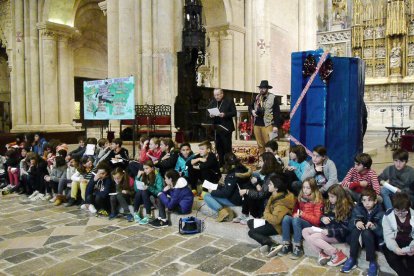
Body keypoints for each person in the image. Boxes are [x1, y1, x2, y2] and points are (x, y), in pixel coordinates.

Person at [302, 184, 354, 267]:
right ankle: (322, 254)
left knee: (313, 237)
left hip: (337, 235)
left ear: (339, 196)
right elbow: (322, 216)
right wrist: (323, 219)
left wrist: (330, 232)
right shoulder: (330, 204)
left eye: (332, 197)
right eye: (329, 196)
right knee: (305, 231)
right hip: (327, 230)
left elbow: (345, 229)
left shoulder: (347, 208)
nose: (330, 199)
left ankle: (337, 254)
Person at [247, 174, 295, 258]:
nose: (268, 185)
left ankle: (273, 244)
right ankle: (265, 242)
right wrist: (266, 215)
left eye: (270, 184)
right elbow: (268, 210)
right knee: (250, 222)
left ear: (276, 188)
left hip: (277, 226)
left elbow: (276, 220)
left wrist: (266, 214)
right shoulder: (276, 194)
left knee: (251, 232)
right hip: (271, 220)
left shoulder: (281, 203)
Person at [341, 188, 384, 275]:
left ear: (375, 201)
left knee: (367, 232)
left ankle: (372, 262)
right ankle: (352, 258)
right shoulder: (358, 208)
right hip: (357, 240)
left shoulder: (381, 212)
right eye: (364, 200)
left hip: (373, 241)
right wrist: (356, 222)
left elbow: (382, 233)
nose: (367, 203)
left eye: (370, 200)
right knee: (356, 229)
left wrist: (374, 227)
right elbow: (349, 226)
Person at [279, 177, 324, 259]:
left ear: (313, 189)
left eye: (308, 188)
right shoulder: (301, 197)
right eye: (303, 187)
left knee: (296, 220)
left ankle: (298, 247)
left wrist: (302, 215)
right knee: (286, 218)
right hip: (299, 221)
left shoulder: (318, 200)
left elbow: (317, 221)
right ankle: (287, 244)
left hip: (311, 225)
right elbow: (295, 211)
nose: (305, 190)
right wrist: (295, 215)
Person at [239, 152, 283, 220]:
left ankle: (253, 216)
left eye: (261, 161)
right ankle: (245, 213)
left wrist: (247, 191)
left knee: (249, 191)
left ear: (266, 162)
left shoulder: (272, 176)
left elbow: (262, 194)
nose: (259, 163)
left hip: (268, 201)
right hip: (265, 196)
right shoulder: (270, 173)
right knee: (249, 186)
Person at [203, 153, 245, 222]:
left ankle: (222, 212)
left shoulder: (232, 174)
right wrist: (220, 185)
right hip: (240, 197)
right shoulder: (241, 168)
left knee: (207, 196)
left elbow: (226, 193)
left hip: (236, 200)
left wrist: (212, 192)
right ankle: (226, 211)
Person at [382, 192, 414, 276]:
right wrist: (395, 248)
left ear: (408, 208)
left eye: (403, 211)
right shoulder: (388, 215)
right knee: (390, 256)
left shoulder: (413, 215)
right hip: (396, 241)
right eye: (397, 211)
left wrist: (412, 247)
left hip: (410, 242)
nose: (400, 214)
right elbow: (388, 236)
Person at [249, 80, 283, 154]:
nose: (262, 89)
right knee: (260, 145)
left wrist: (276, 125)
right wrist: (252, 111)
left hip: (268, 124)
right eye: (260, 88)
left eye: (264, 88)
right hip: (257, 124)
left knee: (270, 145)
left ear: (267, 89)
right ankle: (262, 162)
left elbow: (277, 112)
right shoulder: (257, 97)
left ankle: (271, 162)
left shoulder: (273, 97)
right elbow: (250, 106)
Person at [206, 88, 236, 165]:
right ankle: (221, 163)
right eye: (215, 95)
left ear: (222, 94)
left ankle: (229, 164)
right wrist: (210, 115)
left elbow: (234, 113)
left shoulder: (229, 101)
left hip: (226, 128)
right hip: (217, 128)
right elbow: (207, 111)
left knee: (227, 147)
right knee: (219, 147)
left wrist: (224, 114)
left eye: (218, 95)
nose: (216, 97)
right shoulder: (213, 102)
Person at [133, 160, 163, 225]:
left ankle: (148, 215)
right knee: (140, 192)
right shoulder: (144, 175)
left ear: (152, 168)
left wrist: (149, 188)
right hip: (145, 197)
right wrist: (137, 177)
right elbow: (136, 189)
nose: (145, 170)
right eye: (144, 169)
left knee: (144, 191)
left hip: (154, 197)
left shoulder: (158, 176)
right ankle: (135, 213)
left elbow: (159, 191)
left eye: (147, 168)